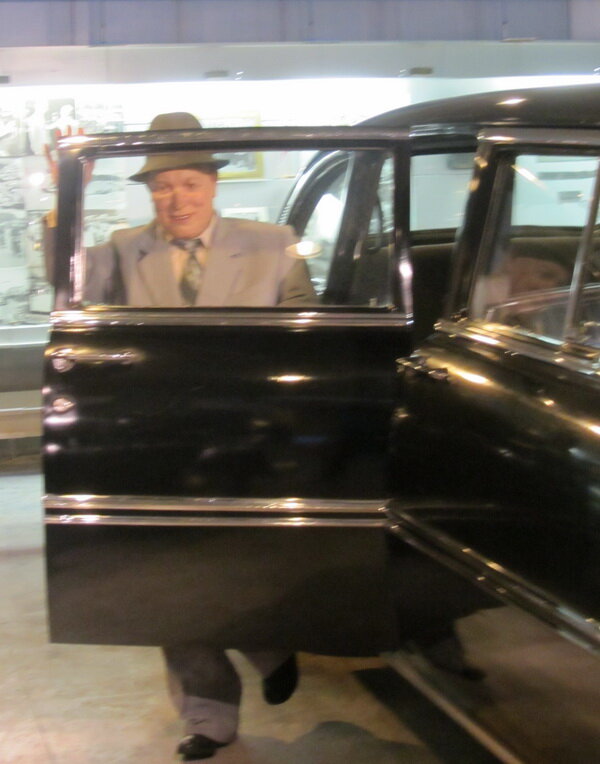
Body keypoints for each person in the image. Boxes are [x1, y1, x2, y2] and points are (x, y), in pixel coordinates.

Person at [44, 111, 315, 761]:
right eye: (163, 186)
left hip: (245, 441)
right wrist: (63, 196)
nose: (178, 199)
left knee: (236, 566)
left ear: (214, 184)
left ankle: (267, 642)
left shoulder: (273, 243)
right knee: (167, 579)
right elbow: (67, 290)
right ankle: (208, 713)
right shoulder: (121, 249)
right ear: (149, 192)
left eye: (190, 183)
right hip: (157, 443)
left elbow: (305, 333)